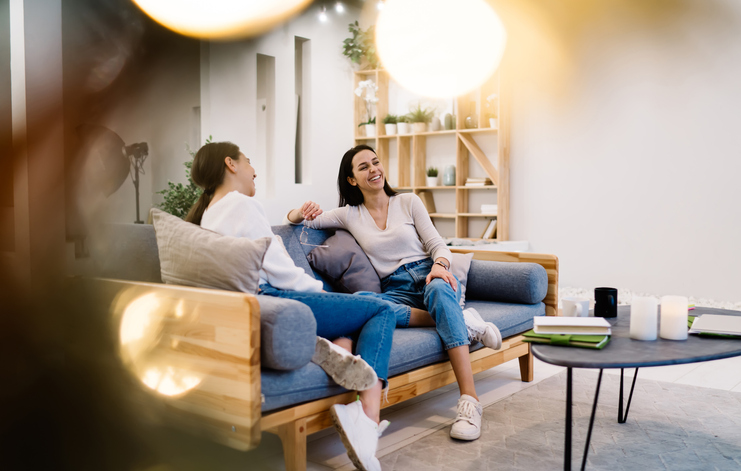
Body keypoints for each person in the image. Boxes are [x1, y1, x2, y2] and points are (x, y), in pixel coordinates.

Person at [185, 141, 393, 471]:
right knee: (381, 309)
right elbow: (278, 269)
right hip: (276, 298)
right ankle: (366, 418)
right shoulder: (240, 204)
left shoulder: (211, 210)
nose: (254, 171)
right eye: (249, 162)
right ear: (231, 164)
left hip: (259, 301)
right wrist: (322, 295)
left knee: (354, 312)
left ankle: (336, 351)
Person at [288, 144, 502, 441]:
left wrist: (440, 266)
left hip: (430, 273)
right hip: (395, 287)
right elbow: (299, 220)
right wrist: (299, 210)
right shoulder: (349, 215)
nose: (374, 169)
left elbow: (438, 245)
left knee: (441, 294)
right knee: (363, 302)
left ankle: (470, 401)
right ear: (352, 180)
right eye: (363, 167)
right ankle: (461, 320)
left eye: (375, 162)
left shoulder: (408, 202)